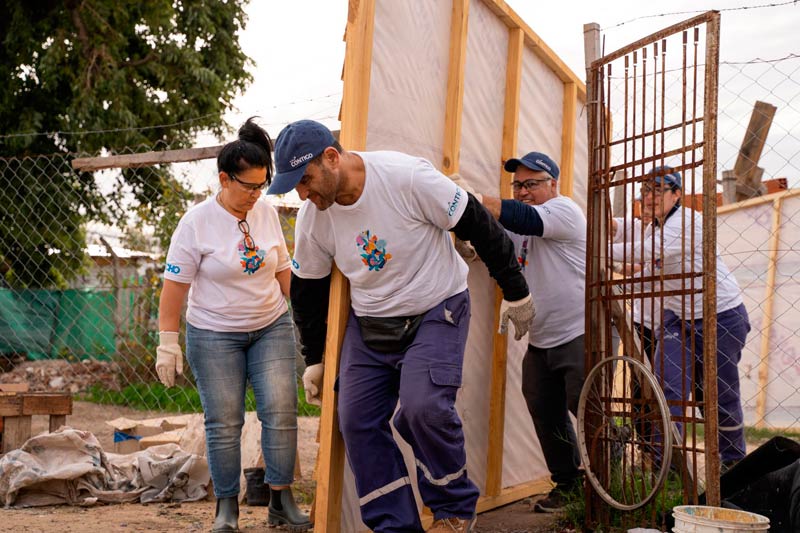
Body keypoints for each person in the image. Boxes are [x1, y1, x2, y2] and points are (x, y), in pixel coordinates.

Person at [266, 119, 534, 533]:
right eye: (294, 187)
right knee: (354, 419)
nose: (302, 193)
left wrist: (516, 291)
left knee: (422, 408)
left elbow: (478, 223)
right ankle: (396, 526)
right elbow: (307, 293)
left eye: (305, 180)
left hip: (435, 308)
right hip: (371, 322)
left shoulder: (407, 178)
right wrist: (315, 359)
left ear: (332, 158)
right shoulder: (314, 219)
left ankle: (453, 509)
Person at [155, 118, 311, 532]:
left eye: (262, 186)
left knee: (280, 409)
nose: (256, 195)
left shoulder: (266, 215)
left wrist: (309, 329)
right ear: (224, 179)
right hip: (213, 333)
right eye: (249, 186)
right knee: (224, 420)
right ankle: (227, 507)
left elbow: (283, 273)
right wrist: (166, 343)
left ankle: (281, 499)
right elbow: (174, 289)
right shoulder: (196, 222)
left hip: (270, 325)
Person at [455, 152, 588, 513]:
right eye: (518, 185)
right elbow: (497, 241)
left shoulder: (565, 212)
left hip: (579, 333)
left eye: (532, 184)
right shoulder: (523, 229)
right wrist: (469, 235)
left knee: (589, 411)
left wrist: (472, 201)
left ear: (553, 185)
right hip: (542, 338)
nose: (524, 191)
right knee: (545, 411)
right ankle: (570, 485)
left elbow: (523, 217)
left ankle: (610, 484)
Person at [610, 166, 751, 471]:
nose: (649, 196)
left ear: (677, 194)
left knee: (720, 394)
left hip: (721, 315)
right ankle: (667, 466)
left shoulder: (688, 221)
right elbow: (641, 252)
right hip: (678, 318)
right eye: (645, 189)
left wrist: (596, 252)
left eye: (658, 189)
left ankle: (733, 464)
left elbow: (649, 251)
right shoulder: (654, 227)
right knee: (665, 389)